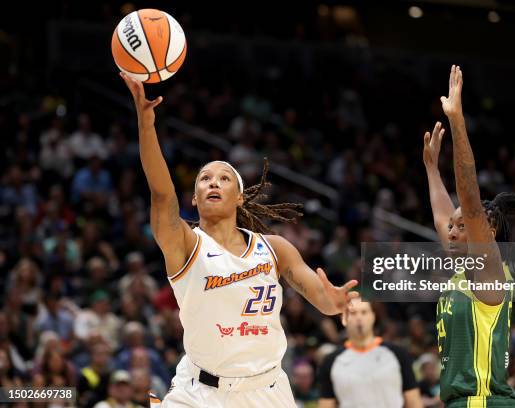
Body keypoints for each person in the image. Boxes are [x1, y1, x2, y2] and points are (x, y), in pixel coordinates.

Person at [119, 72, 359, 408]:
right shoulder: (186, 245)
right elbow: (161, 194)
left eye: (223, 178)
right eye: (204, 179)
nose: (213, 183)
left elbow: (322, 300)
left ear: (240, 197)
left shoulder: (275, 249)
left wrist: (335, 302)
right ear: (194, 197)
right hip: (200, 392)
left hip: (267, 389)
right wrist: (146, 124)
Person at [423, 66, 515, 407]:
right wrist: (431, 169)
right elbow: (442, 215)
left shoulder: (490, 270)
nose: (451, 232)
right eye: (452, 227)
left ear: (487, 231)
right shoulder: (462, 271)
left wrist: (457, 122)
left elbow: (468, 195)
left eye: (462, 226)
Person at [318, 301, 422, 408]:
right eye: (353, 313)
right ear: (343, 318)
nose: (359, 318)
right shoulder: (331, 361)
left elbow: (414, 401)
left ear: (373, 316)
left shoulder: (398, 353)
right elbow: (326, 404)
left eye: (364, 312)